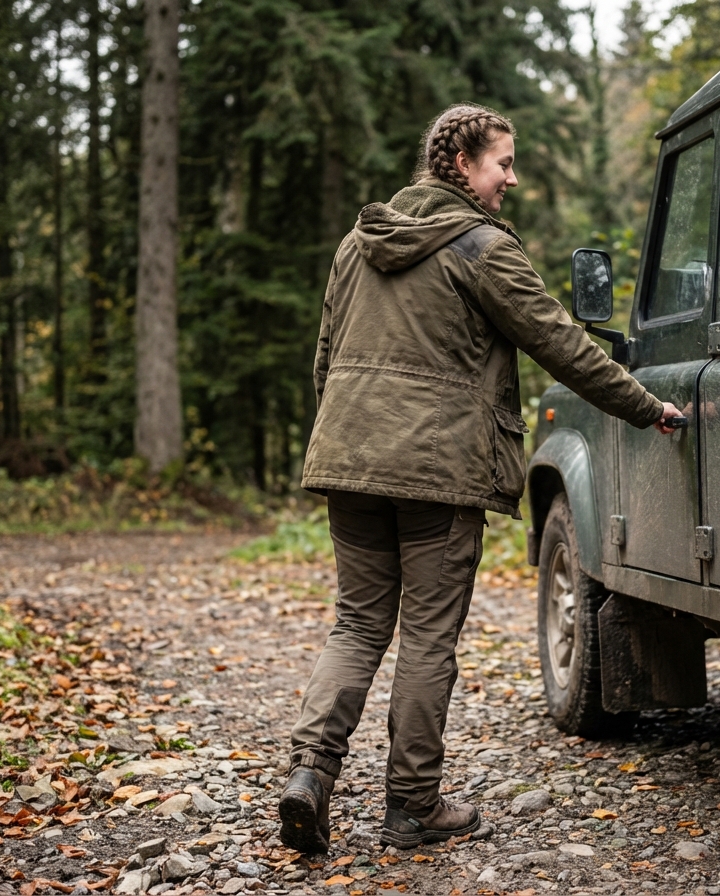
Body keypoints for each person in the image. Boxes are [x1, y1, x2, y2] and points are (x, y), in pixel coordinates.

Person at [279, 103, 683, 855]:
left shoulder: (356, 244)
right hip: (436, 471)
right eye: (502, 162)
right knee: (429, 636)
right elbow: (559, 340)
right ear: (460, 163)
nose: (512, 178)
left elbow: (324, 360)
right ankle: (411, 807)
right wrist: (644, 404)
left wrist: (349, 442)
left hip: (351, 459)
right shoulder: (481, 247)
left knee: (359, 623)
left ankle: (310, 775)